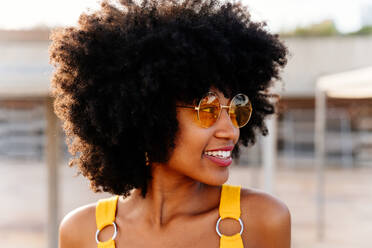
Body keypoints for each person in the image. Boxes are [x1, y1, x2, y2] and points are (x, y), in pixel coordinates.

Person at [49, 0, 290, 247]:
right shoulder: (81, 232)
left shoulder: (261, 221)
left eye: (237, 108)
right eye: (208, 109)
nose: (231, 131)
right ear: (149, 114)